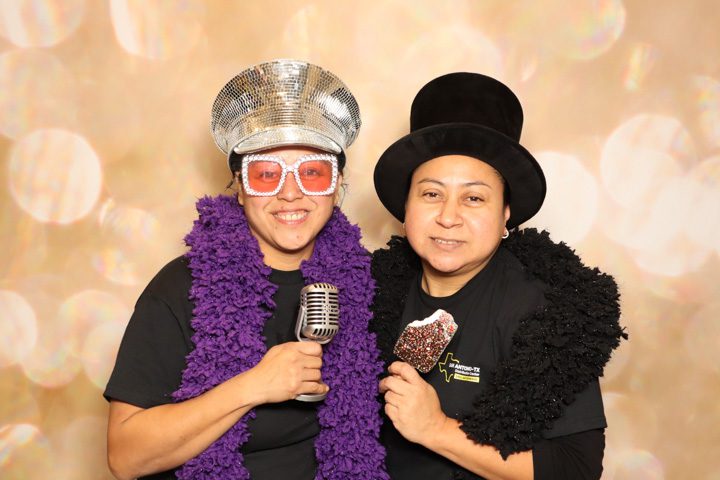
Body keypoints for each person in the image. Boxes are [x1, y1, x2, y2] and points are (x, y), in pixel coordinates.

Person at [104, 59, 388, 480]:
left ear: (337, 184)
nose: (290, 193)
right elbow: (125, 458)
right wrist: (254, 385)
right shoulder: (182, 288)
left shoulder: (369, 283)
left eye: (312, 173)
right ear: (239, 188)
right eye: (266, 174)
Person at [370, 72, 627, 480]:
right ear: (406, 207)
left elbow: (576, 469)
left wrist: (437, 430)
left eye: (474, 198)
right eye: (432, 193)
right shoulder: (369, 293)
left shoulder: (548, 315)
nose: (448, 217)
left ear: (505, 214)